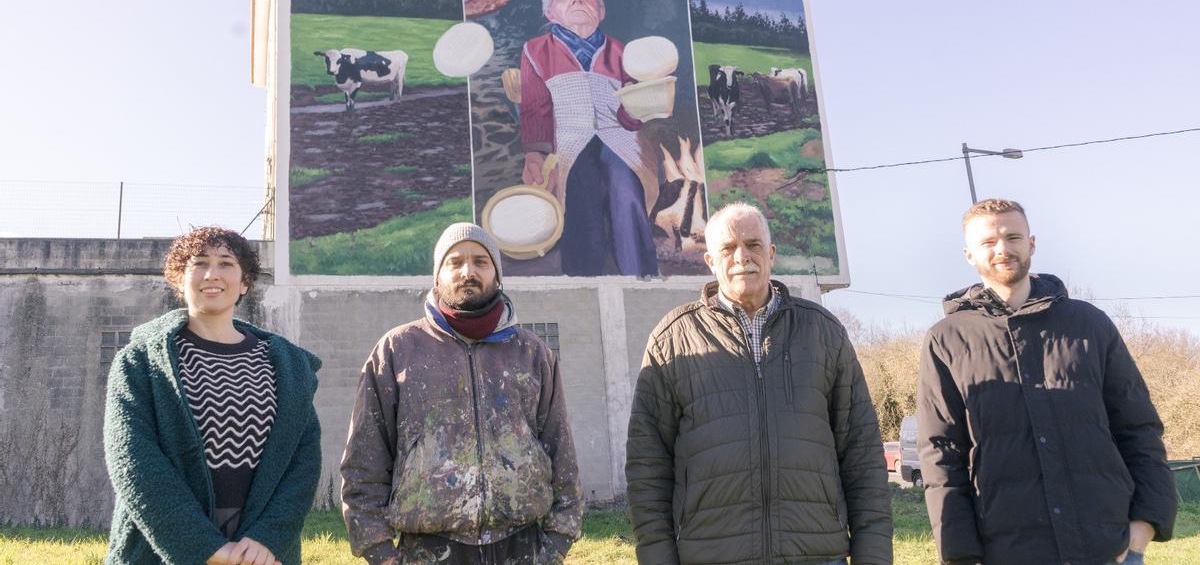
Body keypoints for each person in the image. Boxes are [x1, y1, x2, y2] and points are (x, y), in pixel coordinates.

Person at [626, 202, 892, 564]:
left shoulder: (822, 332)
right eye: (728, 248)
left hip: (816, 555)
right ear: (710, 262)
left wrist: (873, 555)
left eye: (753, 245)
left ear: (771, 254)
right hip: (712, 556)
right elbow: (647, 466)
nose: (742, 257)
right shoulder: (672, 340)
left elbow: (862, 454)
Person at [918, 198, 1177, 564]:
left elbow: (1139, 427)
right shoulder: (946, 340)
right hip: (1006, 552)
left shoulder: (1090, 325)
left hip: (1106, 548)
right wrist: (960, 554)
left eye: (1013, 237)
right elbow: (941, 453)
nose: (1002, 249)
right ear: (969, 254)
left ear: (1032, 243)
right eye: (988, 242)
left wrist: (1144, 525)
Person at [340, 222, 583, 564]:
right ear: (437, 277)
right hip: (427, 550)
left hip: (522, 548)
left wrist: (557, 543)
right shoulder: (396, 351)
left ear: (497, 275)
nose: (468, 272)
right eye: (454, 262)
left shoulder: (532, 354)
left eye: (481, 261)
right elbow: (364, 461)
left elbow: (561, 450)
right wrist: (380, 551)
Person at [103, 227, 322, 565]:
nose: (212, 274)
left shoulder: (288, 366)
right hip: (165, 546)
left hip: (260, 554)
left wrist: (269, 538)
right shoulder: (139, 361)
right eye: (200, 263)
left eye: (226, 263)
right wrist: (203, 547)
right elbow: (133, 459)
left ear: (244, 282)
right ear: (180, 280)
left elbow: (303, 460)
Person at [520, 0, 658, 277]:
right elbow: (535, 108)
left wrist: (637, 108)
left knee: (627, 186)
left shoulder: (622, 52)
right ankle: (583, 279)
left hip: (618, 137)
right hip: (567, 139)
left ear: (601, 10)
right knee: (579, 193)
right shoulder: (536, 50)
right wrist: (535, 153)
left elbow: (631, 113)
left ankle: (641, 276)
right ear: (549, 12)